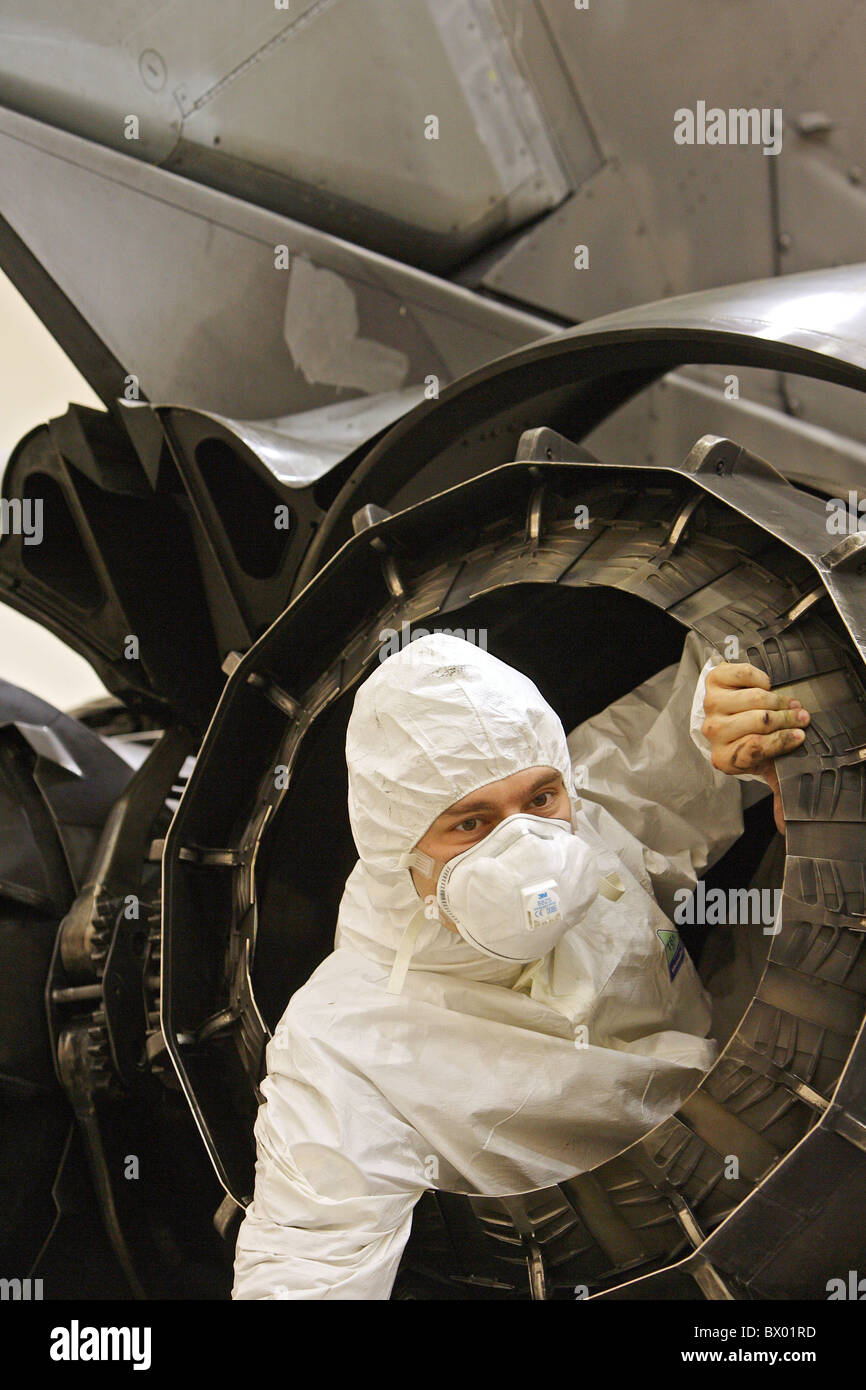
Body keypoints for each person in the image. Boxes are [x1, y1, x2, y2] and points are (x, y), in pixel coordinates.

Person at [232, 630, 809, 1300]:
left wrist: (738, 716)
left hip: (765, 1089)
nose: (531, 851)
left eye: (539, 800)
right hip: (656, 1259)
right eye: (471, 825)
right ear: (397, 846)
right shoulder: (340, 1048)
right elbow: (307, 1266)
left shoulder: (587, 817)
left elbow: (692, 729)